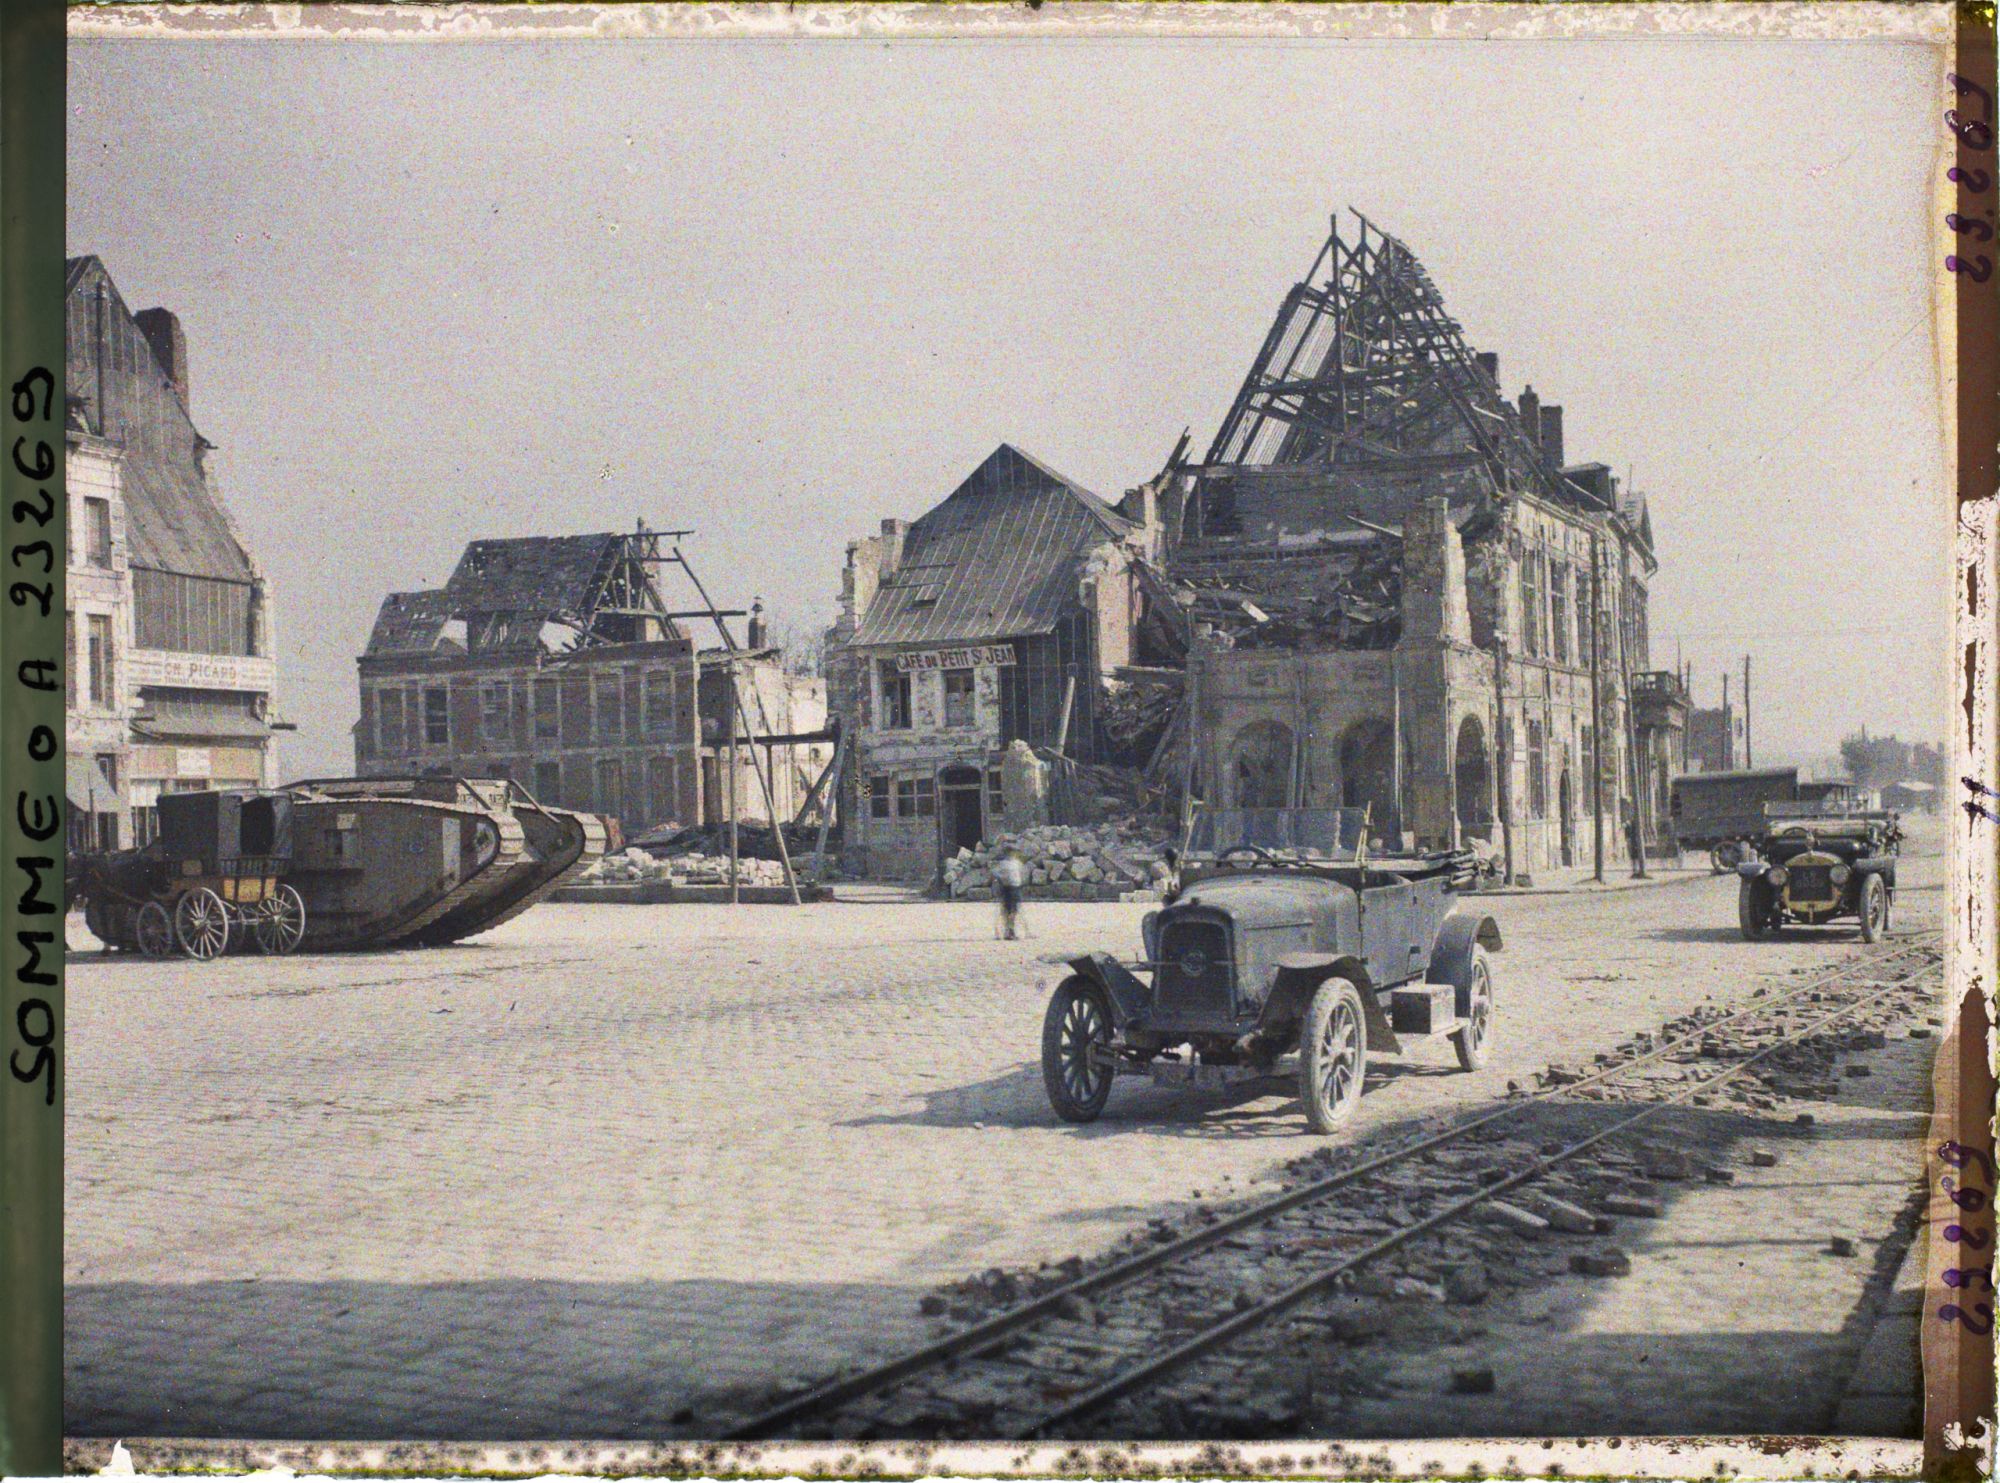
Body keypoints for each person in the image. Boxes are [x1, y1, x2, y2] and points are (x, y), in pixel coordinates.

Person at [993, 845, 1027, 940]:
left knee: (1012, 911)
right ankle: (1009, 931)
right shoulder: (1005, 864)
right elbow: (997, 875)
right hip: (1009, 888)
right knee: (1009, 911)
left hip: (1014, 888)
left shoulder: (1015, 863)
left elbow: (1021, 874)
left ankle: (1009, 930)